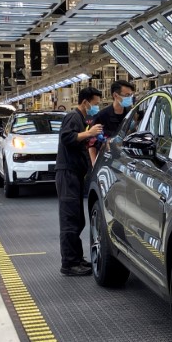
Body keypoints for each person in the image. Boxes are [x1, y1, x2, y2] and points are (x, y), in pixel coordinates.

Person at [55, 87, 104, 276]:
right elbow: (67, 137)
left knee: (77, 219)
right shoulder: (72, 117)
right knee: (69, 220)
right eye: (95, 104)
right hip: (67, 173)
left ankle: (77, 258)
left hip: (75, 174)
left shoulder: (82, 120)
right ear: (86, 102)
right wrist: (88, 133)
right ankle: (68, 263)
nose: (96, 108)